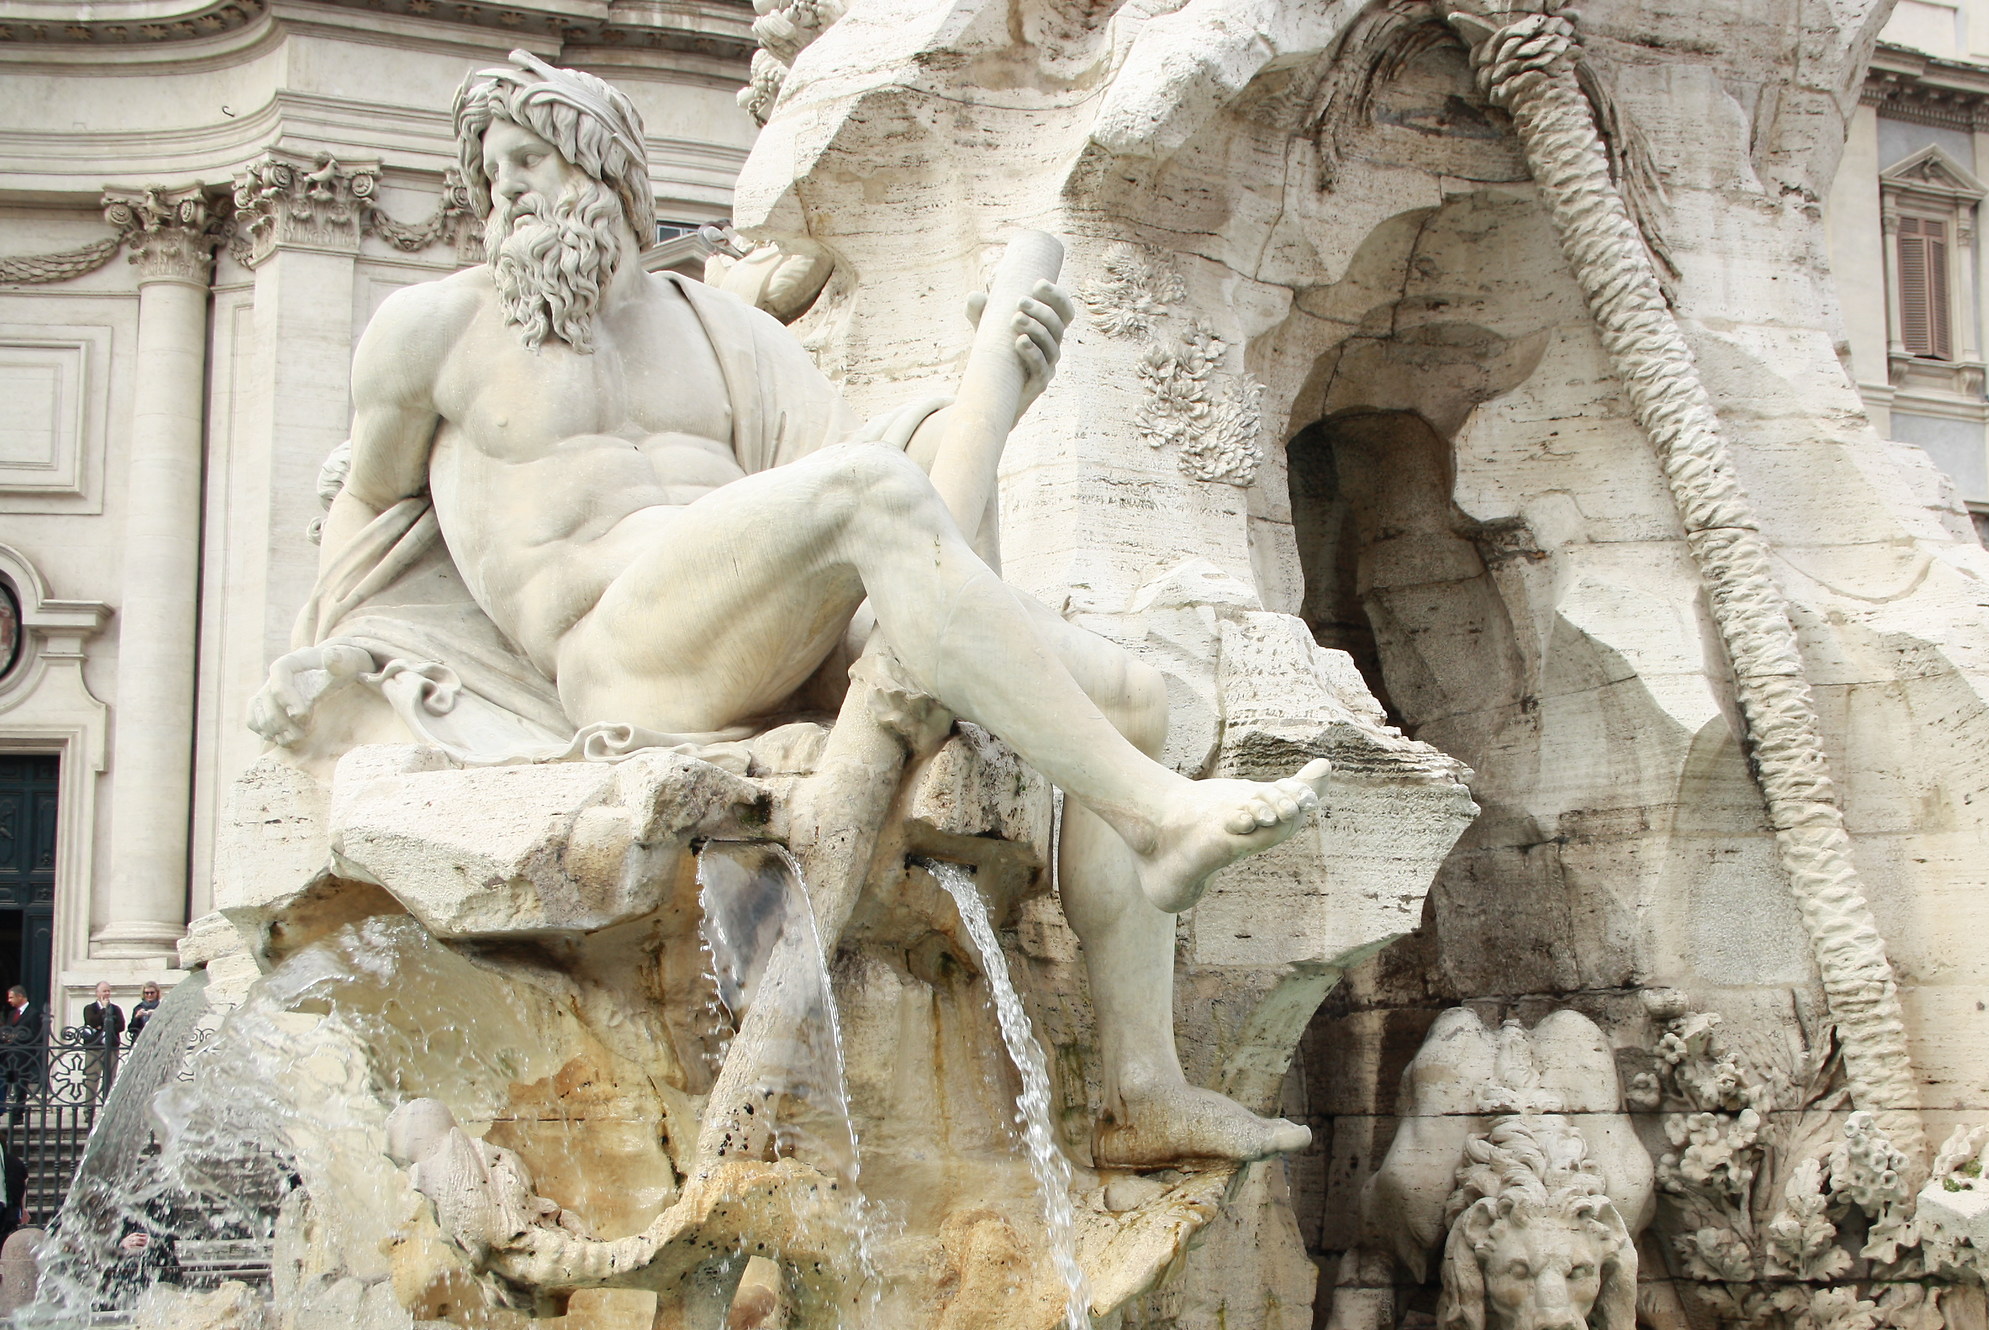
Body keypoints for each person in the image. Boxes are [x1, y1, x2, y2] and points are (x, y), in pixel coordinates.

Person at [245, 54, 1328, 1165]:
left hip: (771, 635)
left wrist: (992, 396)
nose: (506, 193)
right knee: (874, 479)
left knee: (1131, 691)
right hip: (618, 646)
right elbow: (368, 515)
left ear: (606, 175)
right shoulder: (433, 329)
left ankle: (1141, 1086)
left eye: (531, 161)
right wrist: (346, 678)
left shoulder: (724, 335)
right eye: (492, 173)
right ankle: (1156, 815)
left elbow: (921, 529)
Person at [0, 986, 40, 1117]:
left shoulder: (33, 1013)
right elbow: (7, 1030)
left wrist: (15, 1037)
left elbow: (35, 1035)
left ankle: (18, 1113)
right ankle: (6, 1107)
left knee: (20, 1085)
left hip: (23, 1056)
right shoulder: (12, 1014)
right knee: (7, 1082)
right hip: (9, 1055)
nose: (9, 1000)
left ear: (20, 997)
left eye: (11, 997)